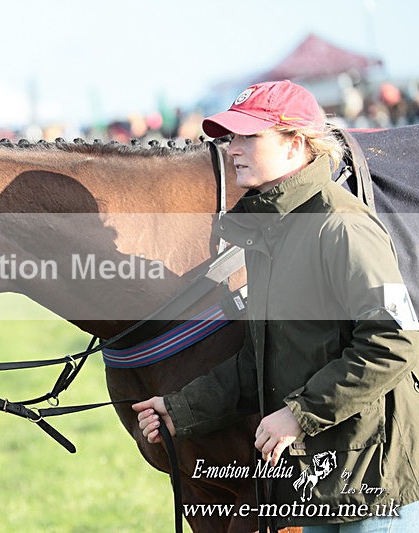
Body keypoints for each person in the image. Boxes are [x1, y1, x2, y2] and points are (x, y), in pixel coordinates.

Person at [132, 80, 419, 532]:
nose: (232, 150)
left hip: (373, 486)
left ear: (295, 144)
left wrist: (298, 415)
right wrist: (180, 408)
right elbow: (260, 361)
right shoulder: (271, 233)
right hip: (320, 482)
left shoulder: (342, 226)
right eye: (230, 138)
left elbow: (395, 342)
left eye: (249, 136)